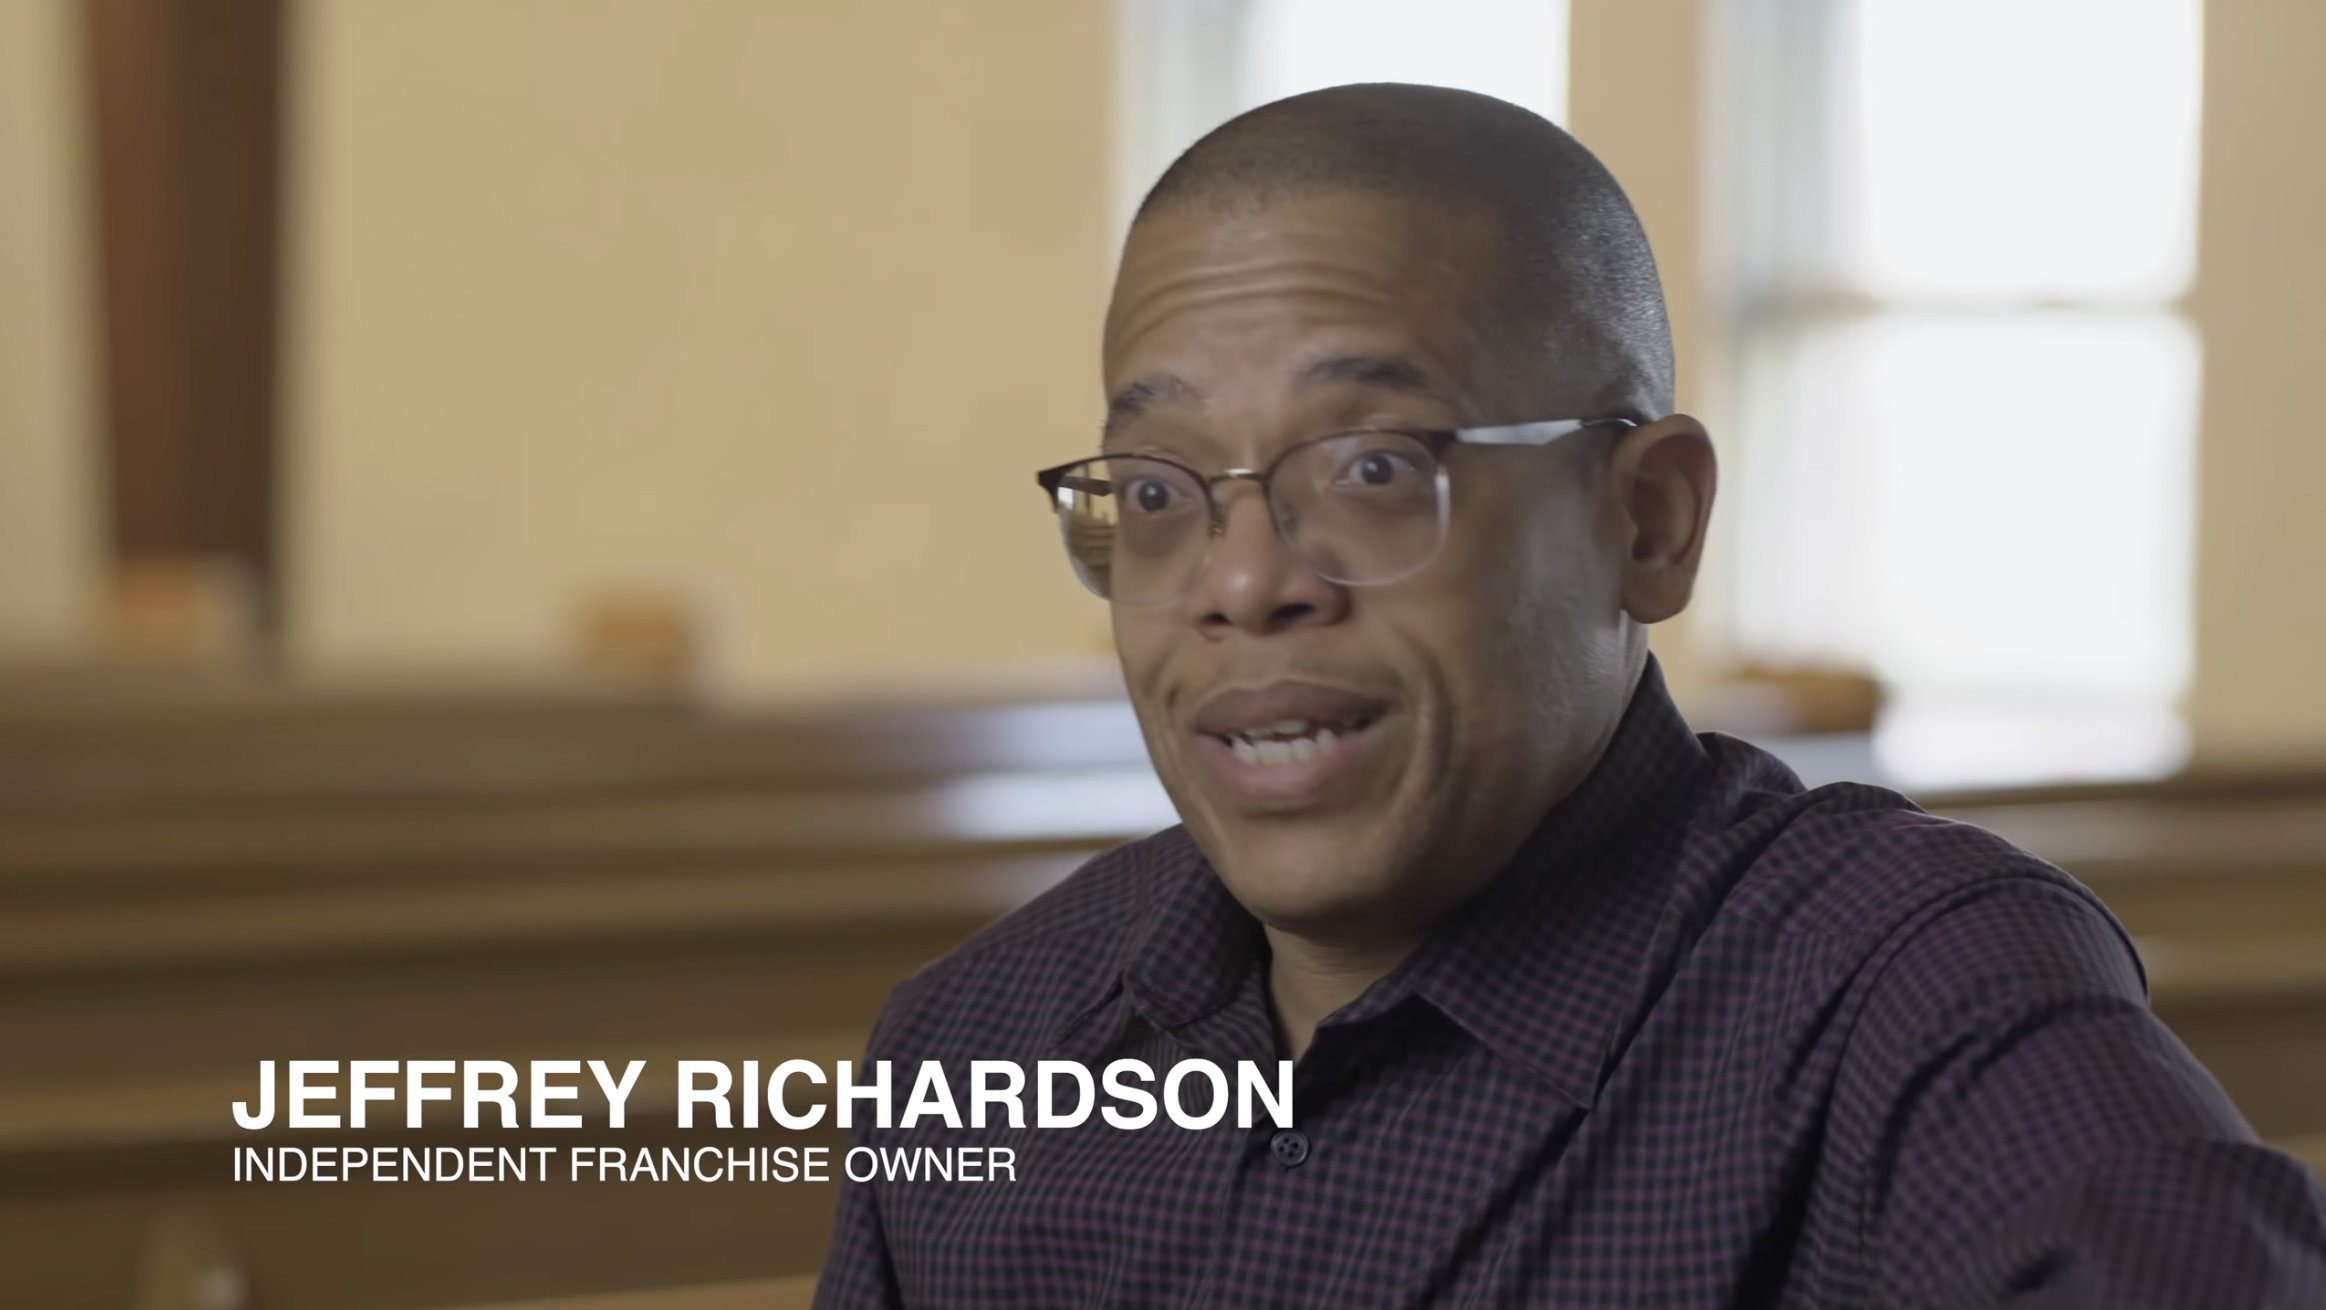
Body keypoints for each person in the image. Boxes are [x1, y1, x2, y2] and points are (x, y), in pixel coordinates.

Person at [814, 84, 2326, 1307]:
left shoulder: (1907, 999)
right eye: (1155, 489)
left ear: (1647, 521)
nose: (1240, 578)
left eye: (1373, 468)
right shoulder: (979, 1046)